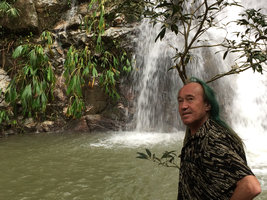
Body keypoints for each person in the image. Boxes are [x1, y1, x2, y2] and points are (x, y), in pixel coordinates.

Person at [177, 77, 261, 200]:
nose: (183, 106)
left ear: (207, 105)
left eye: (190, 99)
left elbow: (251, 186)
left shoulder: (212, 140)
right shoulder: (196, 135)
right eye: (180, 101)